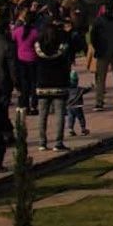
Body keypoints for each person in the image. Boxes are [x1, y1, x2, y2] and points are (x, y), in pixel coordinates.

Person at [33, 21, 73, 151]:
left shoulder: (37, 47)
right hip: (59, 84)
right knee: (60, 115)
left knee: (42, 115)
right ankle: (58, 142)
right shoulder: (62, 48)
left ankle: (42, 142)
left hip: (42, 84)